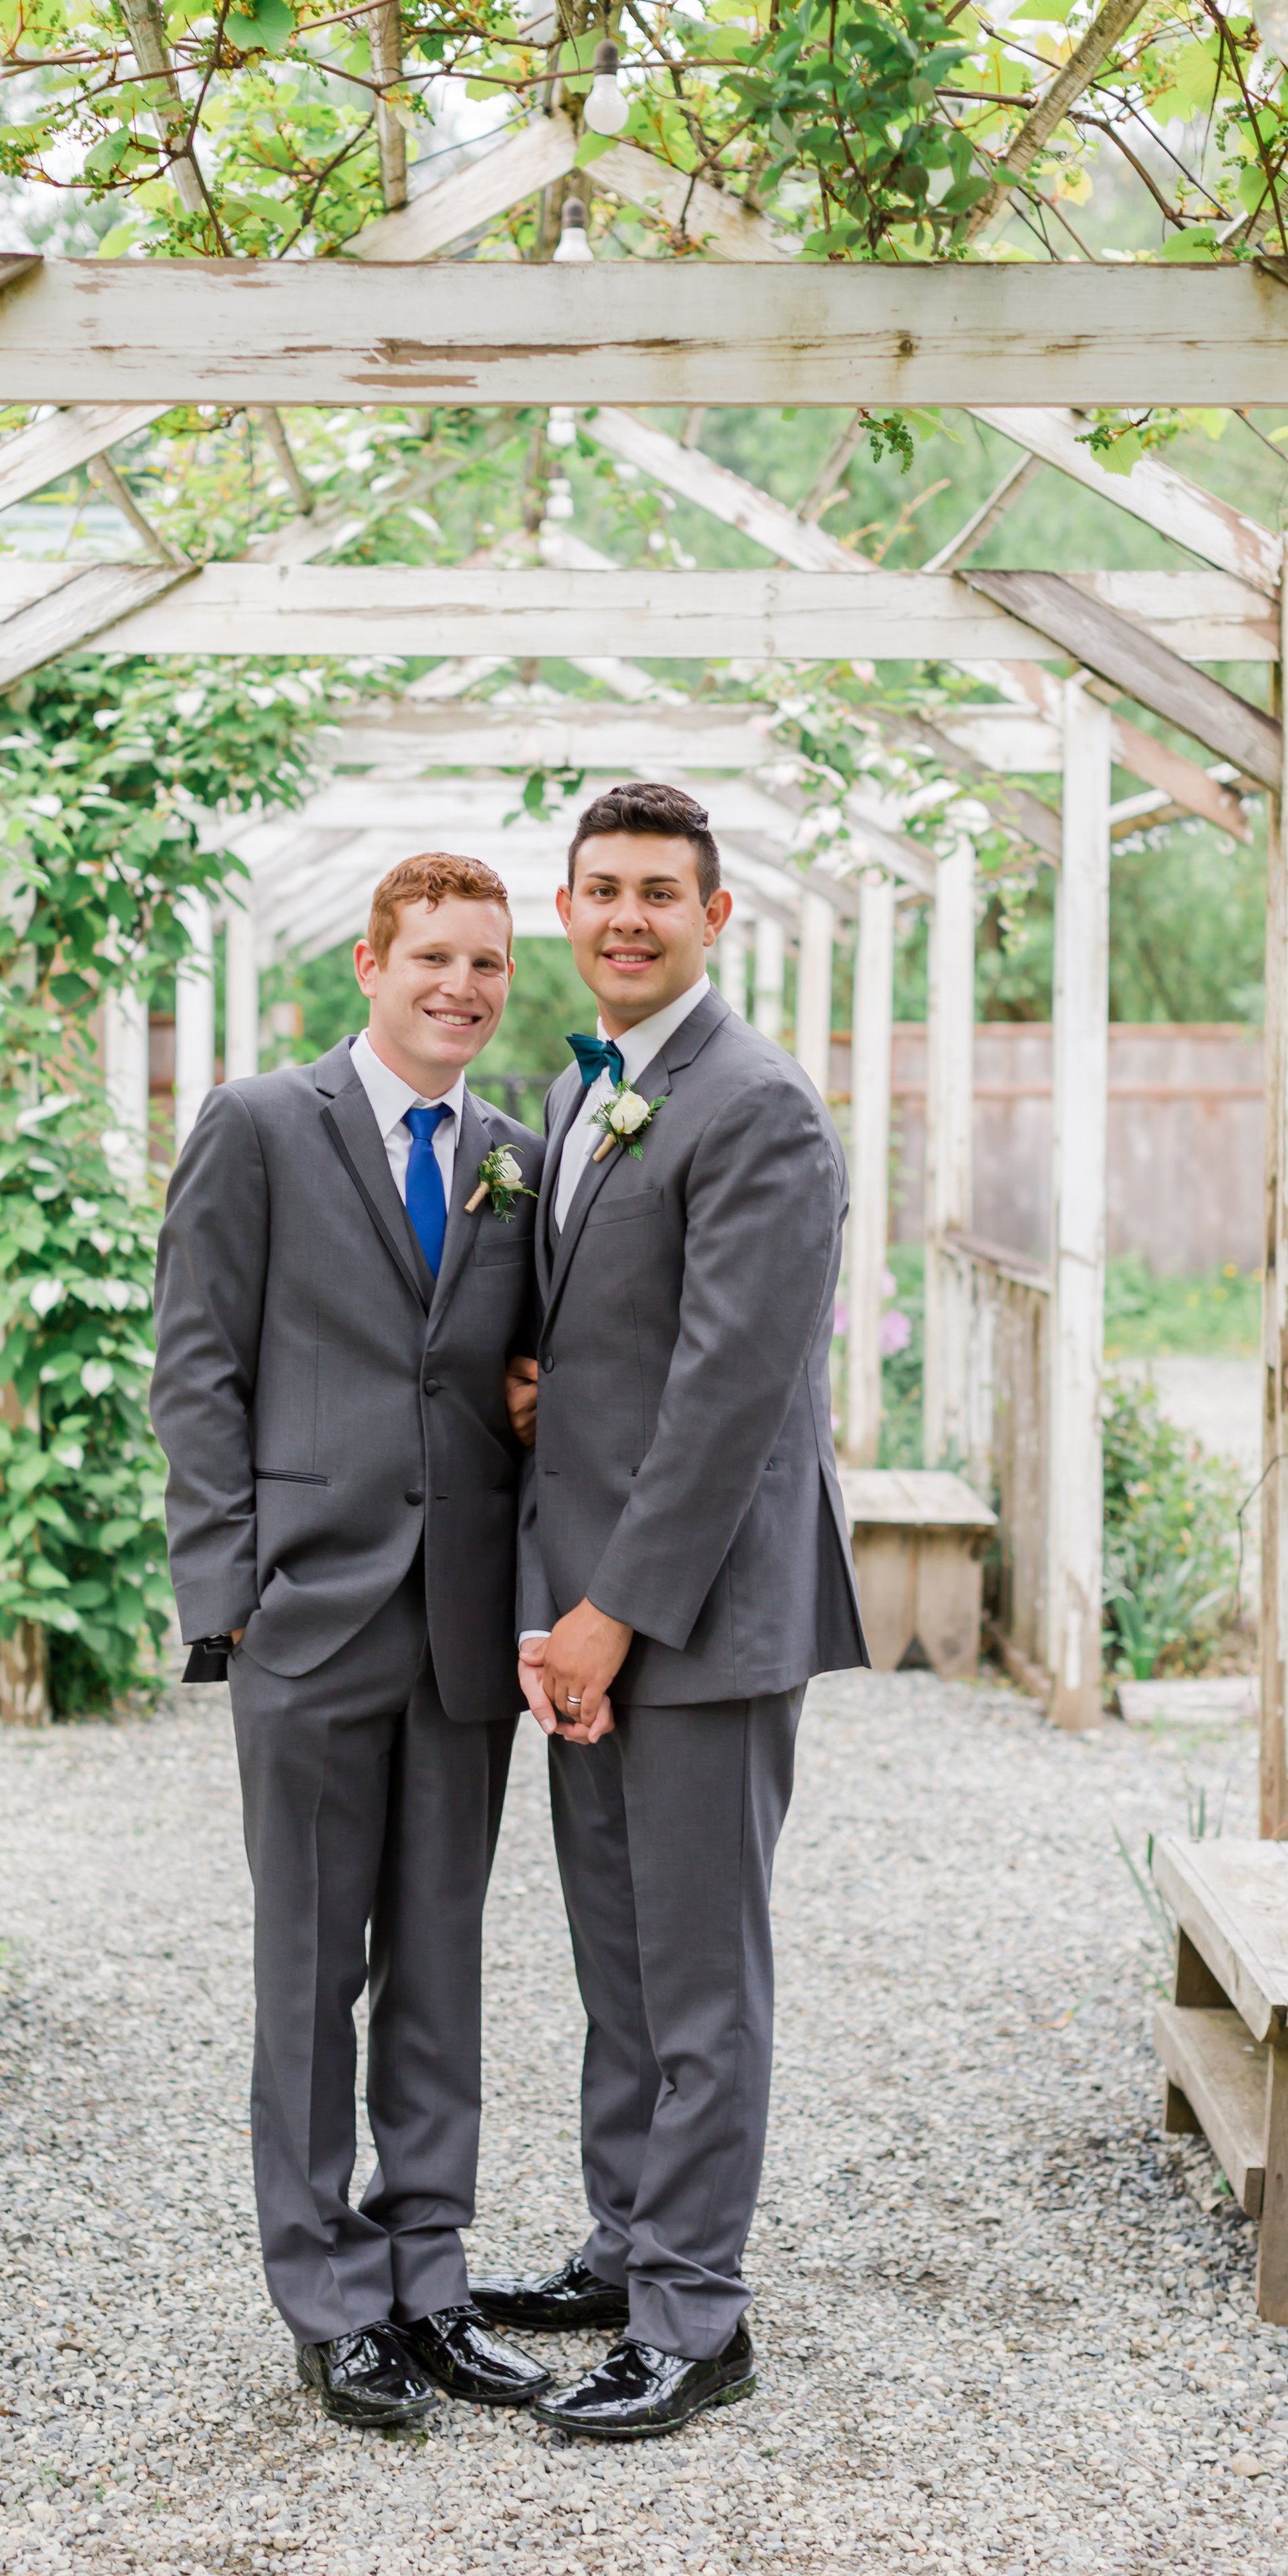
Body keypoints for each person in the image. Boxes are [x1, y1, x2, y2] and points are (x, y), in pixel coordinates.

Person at [472, 782, 868, 2442]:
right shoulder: (597, 1095)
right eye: (602, 890)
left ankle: (696, 2315)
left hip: (690, 1619)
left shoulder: (755, 1105)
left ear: (713, 917)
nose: (627, 917)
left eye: (660, 892)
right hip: (589, 1609)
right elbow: (616, 1340)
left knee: (697, 1976)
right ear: (568, 910)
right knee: (617, 1962)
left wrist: (612, 1616)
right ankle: (628, 2243)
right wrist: (531, 1390)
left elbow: (725, 1392)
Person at [152, 852, 550, 2429]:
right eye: (434, 957)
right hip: (309, 1613)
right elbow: (195, 1366)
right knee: (313, 1968)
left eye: (488, 964)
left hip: (460, 1623)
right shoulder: (260, 1126)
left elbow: (526, 1363)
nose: (462, 986)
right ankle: (327, 2301)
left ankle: (429, 2278)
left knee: (441, 1961)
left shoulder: (518, 1152)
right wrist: (227, 1591)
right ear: (370, 965)